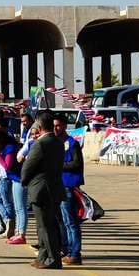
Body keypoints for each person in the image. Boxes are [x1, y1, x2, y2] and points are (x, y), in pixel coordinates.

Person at [20, 110, 65, 269]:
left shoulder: (40, 143)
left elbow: (28, 166)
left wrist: (24, 181)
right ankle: (43, 256)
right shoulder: (58, 142)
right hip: (54, 188)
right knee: (46, 225)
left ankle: (53, 259)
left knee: (45, 227)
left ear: (39, 127)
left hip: (40, 189)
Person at [55, 113, 84, 265]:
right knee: (63, 221)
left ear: (65, 126)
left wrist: (58, 165)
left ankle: (75, 253)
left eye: (58, 125)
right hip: (58, 186)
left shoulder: (71, 143)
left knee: (71, 222)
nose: (56, 128)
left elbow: (76, 163)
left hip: (68, 186)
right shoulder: (56, 143)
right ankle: (66, 249)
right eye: (53, 125)